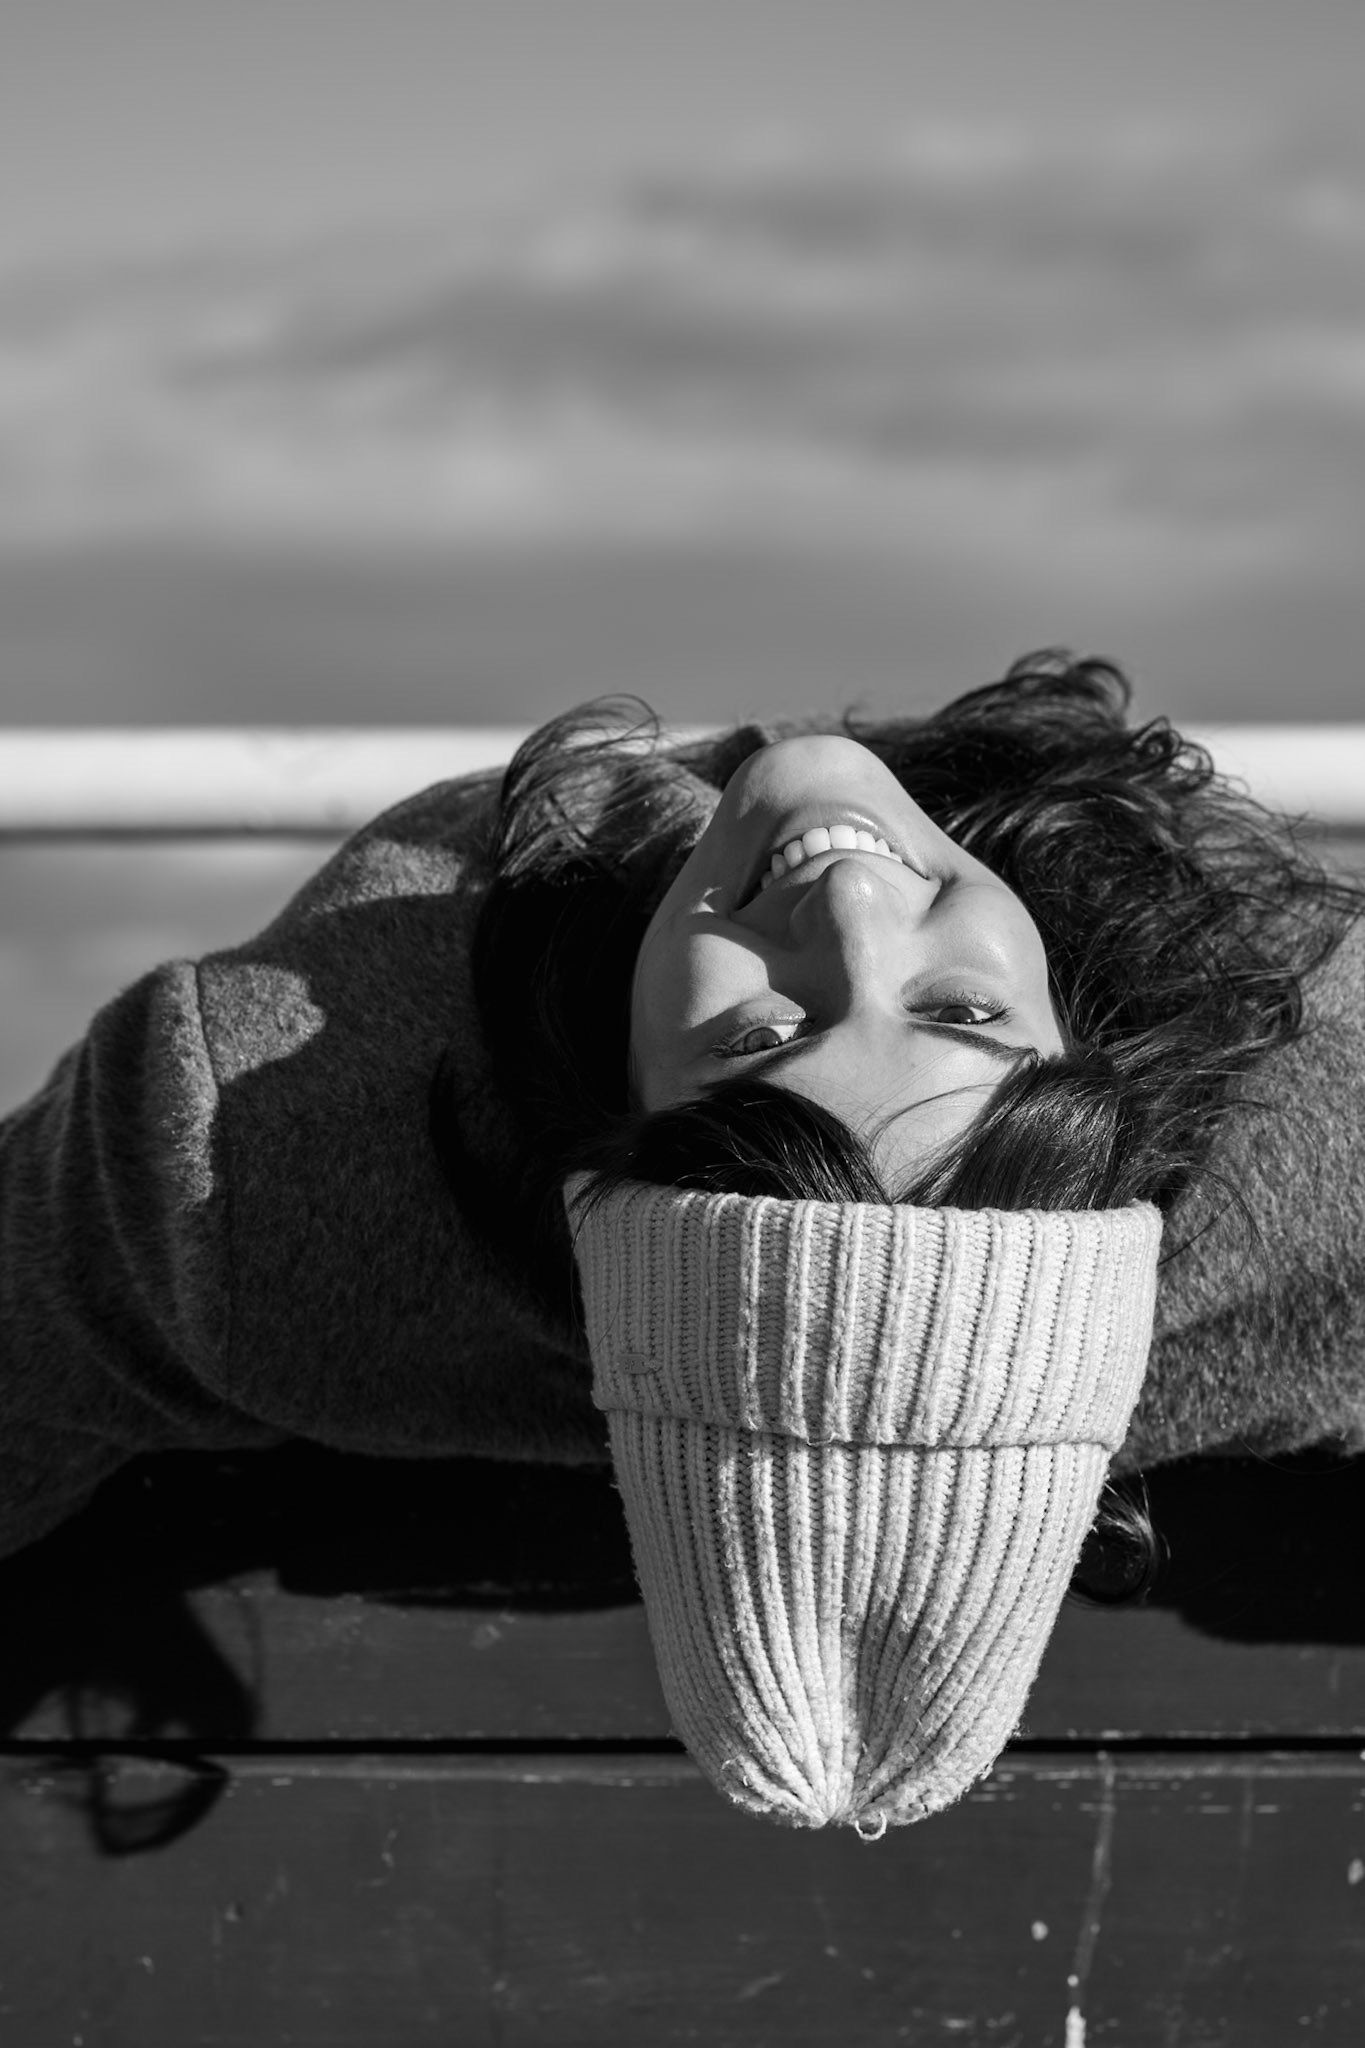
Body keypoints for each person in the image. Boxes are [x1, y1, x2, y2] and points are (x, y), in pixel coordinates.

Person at [1, 650, 1361, 1818]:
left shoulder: (250, 1173)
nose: (852, 912)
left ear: (602, 1113)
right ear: (1088, 1047)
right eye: (962, 1013)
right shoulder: (1329, 1138)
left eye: (759, 1036)